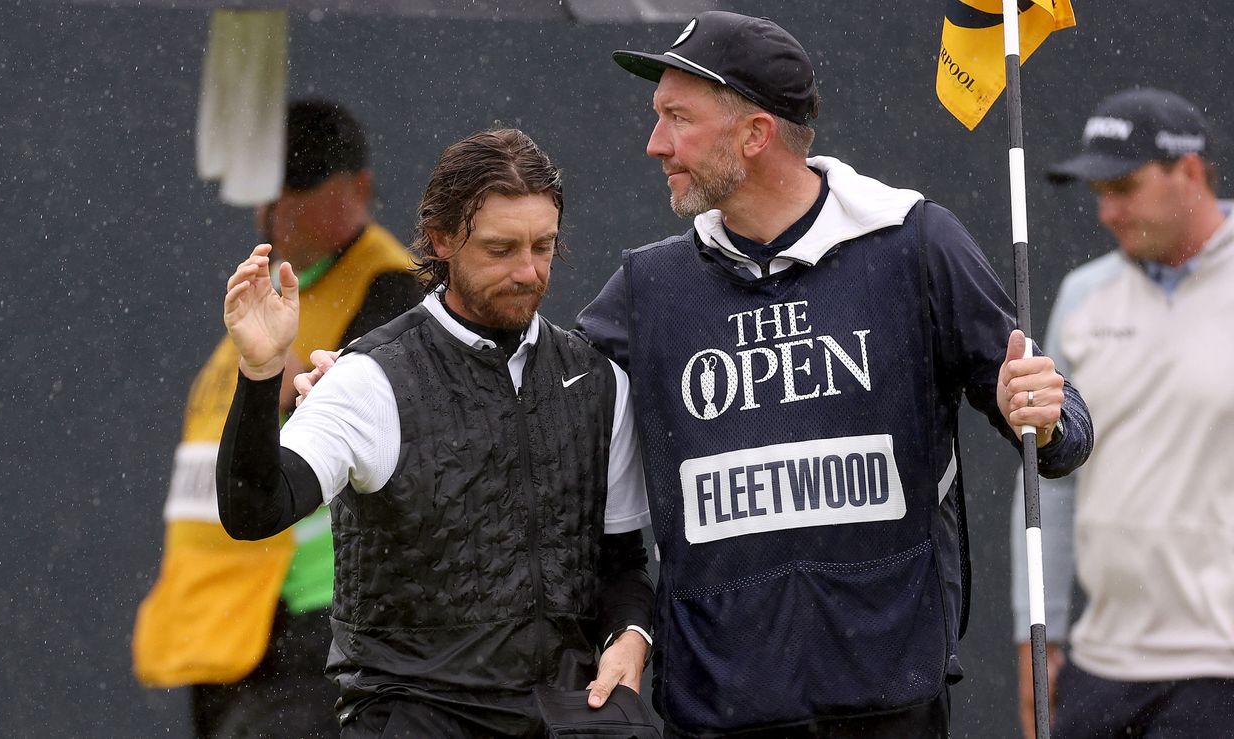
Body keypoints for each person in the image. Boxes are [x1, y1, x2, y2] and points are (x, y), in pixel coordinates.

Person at [571, 12, 1094, 737]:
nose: (654, 143)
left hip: (891, 697)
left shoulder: (915, 241)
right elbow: (539, 410)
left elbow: (1062, 436)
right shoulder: (645, 286)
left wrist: (1044, 413)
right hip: (719, 705)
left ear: (755, 135)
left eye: (676, 118)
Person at [216, 128, 656, 737]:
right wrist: (262, 373)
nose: (528, 272)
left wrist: (630, 637)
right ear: (442, 239)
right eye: (501, 249)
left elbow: (622, 561)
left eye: (543, 247)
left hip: (566, 719)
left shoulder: (600, 381)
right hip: (416, 716)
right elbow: (253, 509)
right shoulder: (367, 379)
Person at [132, 99, 424, 738]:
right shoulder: (279, 285)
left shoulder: (394, 294)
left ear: (359, 189)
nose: (273, 211)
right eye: (267, 191)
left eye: (298, 190)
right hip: (226, 625)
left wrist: (291, 377)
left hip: (309, 624)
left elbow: (384, 437)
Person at [1010, 88, 1234, 739]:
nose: (1107, 211)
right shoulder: (1084, 295)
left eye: (1125, 187)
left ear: (1188, 172)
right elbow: (1050, 479)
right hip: (1099, 670)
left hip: (1221, 668)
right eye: (1099, 192)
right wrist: (1035, 633)